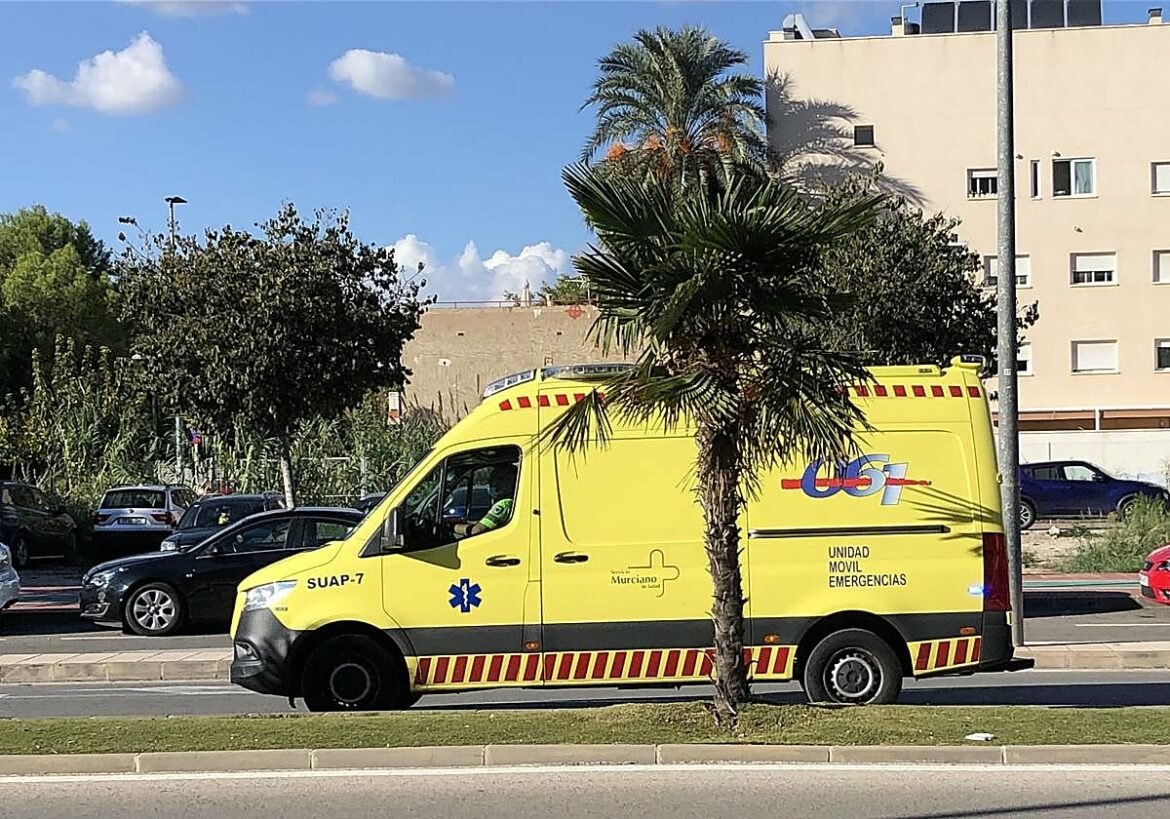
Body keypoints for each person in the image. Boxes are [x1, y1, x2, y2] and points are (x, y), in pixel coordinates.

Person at [454, 466, 516, 538]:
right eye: (492, 478)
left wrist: (454, 527)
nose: (493, 482)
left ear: (510, 481)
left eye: (499, 479)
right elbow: (484, 523)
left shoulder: (505, 503)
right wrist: (463, 522)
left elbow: (477, 530)